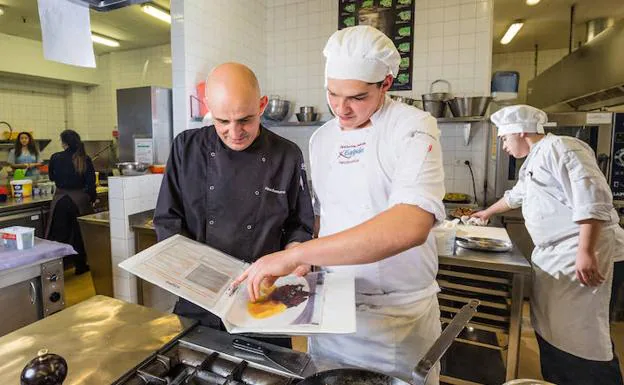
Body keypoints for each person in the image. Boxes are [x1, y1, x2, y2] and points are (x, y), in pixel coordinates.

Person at [233, 26, 446, 384]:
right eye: (332, 93)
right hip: (332, 312)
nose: (341, 108)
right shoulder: (322, 139)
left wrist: (294, 256)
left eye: (357, 97)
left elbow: (410, 224)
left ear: (386, 84)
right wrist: (303, 255)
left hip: (396, 319)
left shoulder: (413, 128)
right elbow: (326, 214)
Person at [153, 62, 314, 348]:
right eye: (222, 121)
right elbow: (167, 220)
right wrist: (187, 270)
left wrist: (295, 255)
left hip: (262, 298)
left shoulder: (287, 155)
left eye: (245, 120)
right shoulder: (185, 149)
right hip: (198, 300)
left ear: (262, 105)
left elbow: (298, 225)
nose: (234, 131)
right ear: (208, 108)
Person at [470, 105, 624, 384]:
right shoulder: (534, 160)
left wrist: (586, 252)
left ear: (520, 131)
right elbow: (516, 196)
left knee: (583, 335)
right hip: (557, 255)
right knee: (554, 328)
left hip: (582, 251)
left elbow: (593, 198)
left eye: (504, 138)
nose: (503, 146)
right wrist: (486, 213)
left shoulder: (563, 148)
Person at [46, 130, 96, 275]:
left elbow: (51, 177)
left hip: (60, 200)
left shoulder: (55, 157)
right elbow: (91, 184)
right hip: (79, 201)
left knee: (58, 236)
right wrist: (91, 199)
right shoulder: (84, 159)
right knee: (80, 235)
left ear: (64, 143)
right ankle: (80, 266)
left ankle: (54, 271)